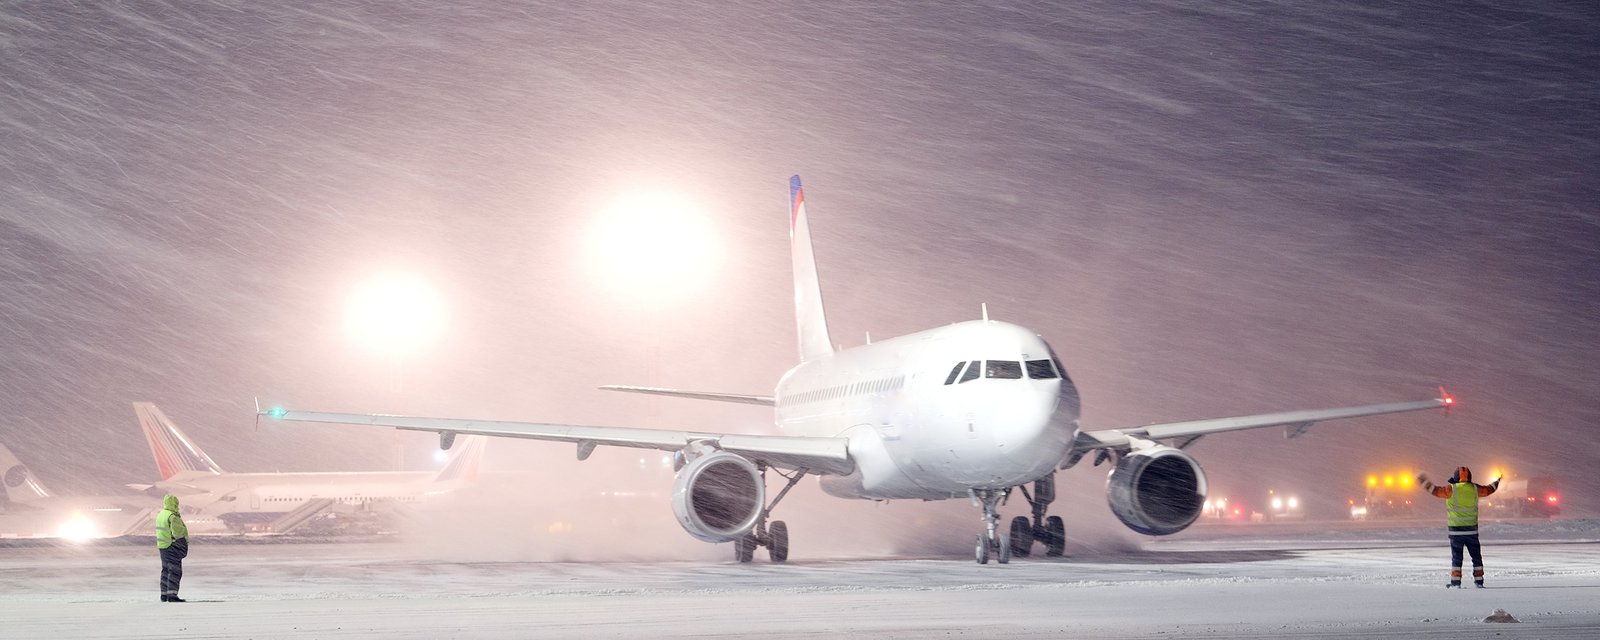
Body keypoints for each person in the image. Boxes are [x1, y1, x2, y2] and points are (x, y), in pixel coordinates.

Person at [1418, 466, 1499, 588]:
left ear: (1456, 477)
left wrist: (1422, 480)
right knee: (1476, 557)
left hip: (1456, 532)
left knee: (1457, 558)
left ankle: (1456, 582)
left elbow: (1434, 490)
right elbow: (1489, 490)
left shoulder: (1451, 489)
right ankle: (1479, 581)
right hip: (1472, 531)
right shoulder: (1475, 489)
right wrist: (1498, 480)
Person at [155, 494, 189, 602]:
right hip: (172, 546)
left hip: (163, 547)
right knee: (174, 571)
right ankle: (172, 596)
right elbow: (178, 533)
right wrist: (183, 545)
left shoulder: (161, 515)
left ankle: (164, 595)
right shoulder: (172, 516)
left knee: (165, 571)